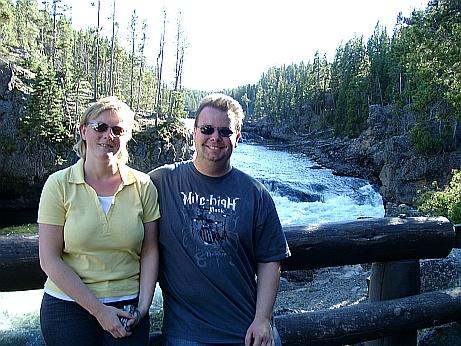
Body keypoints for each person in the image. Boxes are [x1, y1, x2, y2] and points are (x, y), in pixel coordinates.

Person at [149, 93, 290, 346]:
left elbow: (270, 259)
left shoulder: (256, 194)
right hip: (188, 334)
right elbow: (118, 194)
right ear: (194, 132)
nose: (215, 137)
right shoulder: (162, 182)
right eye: (207, 129)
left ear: (237, 137)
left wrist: (263, 319)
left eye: (225, 131)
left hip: (248, 332)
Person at [38, 96, 160, 345]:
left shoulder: (143, 185)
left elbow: (150, 250)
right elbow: (49, 259)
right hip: (67, 306)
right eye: (100, 127)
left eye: (118, 129)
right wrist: (99, 311)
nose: (109, 135)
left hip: (128, 306)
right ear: (84, 131)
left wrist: (143, 307)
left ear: (126, 136)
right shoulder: (58, 185)